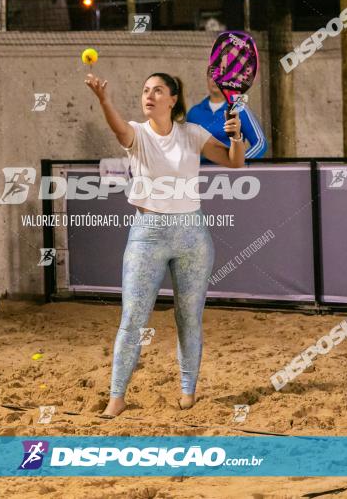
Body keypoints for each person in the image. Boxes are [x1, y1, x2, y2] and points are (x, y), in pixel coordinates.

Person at [84, 71, 246, 418]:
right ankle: (117, 396)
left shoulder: (192, 133)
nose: (149, 96)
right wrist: (103, 100)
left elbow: (235, 161)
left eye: (157, 90)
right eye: (145, 90)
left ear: (173, 100)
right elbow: (117, 129)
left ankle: (188, 390)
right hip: (148, 235)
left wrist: (237, 138)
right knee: (133, 318)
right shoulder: (137, 133)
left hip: (193, 236)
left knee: (189, 318)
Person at [187, 69, 267, 161]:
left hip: (231, 173)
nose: (215, 80)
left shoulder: (239, 108)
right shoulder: (194, 112)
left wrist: (241, 162)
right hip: (201, 173)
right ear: (207, 79)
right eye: (211, 76)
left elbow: (260, 143)